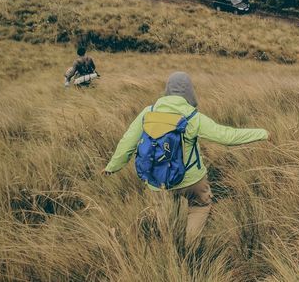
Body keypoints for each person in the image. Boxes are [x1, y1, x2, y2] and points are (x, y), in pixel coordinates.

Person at [103, 72, 269, 248]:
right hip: (191, 179)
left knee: (165, 212)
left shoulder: (148, 113)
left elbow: (127, 143)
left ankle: (167, 248)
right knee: (200, 206)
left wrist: (112, 167)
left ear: (167, 90)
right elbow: (227, 136)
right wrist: (263, 133)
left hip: (157, 181)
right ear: (190, 92)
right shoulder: (193, 118)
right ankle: (190, 247)